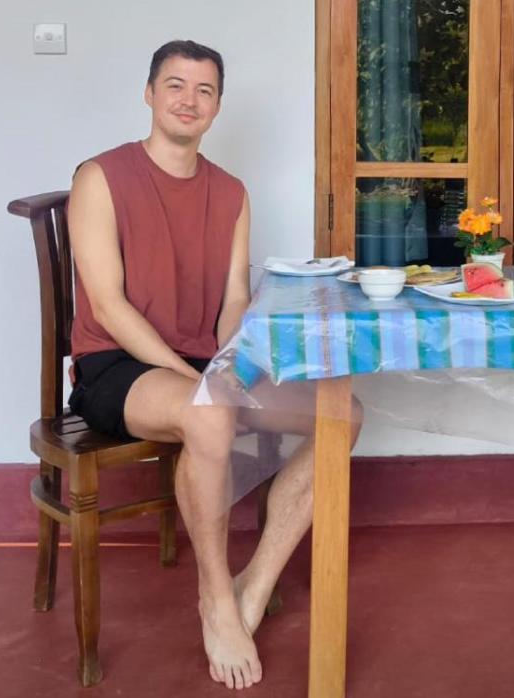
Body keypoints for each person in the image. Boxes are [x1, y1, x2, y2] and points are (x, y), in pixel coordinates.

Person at [66, 40, 353, 690]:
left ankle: (258, 581)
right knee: (210, 415)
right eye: (175, 85)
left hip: (202, 365)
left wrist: (226, 364)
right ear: (149, 93)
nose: (188, 100)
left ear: (218, 105)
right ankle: (216, 597)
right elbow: (108, 306)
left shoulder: (231, 192)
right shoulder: (100, 177)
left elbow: (233, 301)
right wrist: (196, 378)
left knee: (343, 416)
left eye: (204, 90)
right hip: (118, 366)